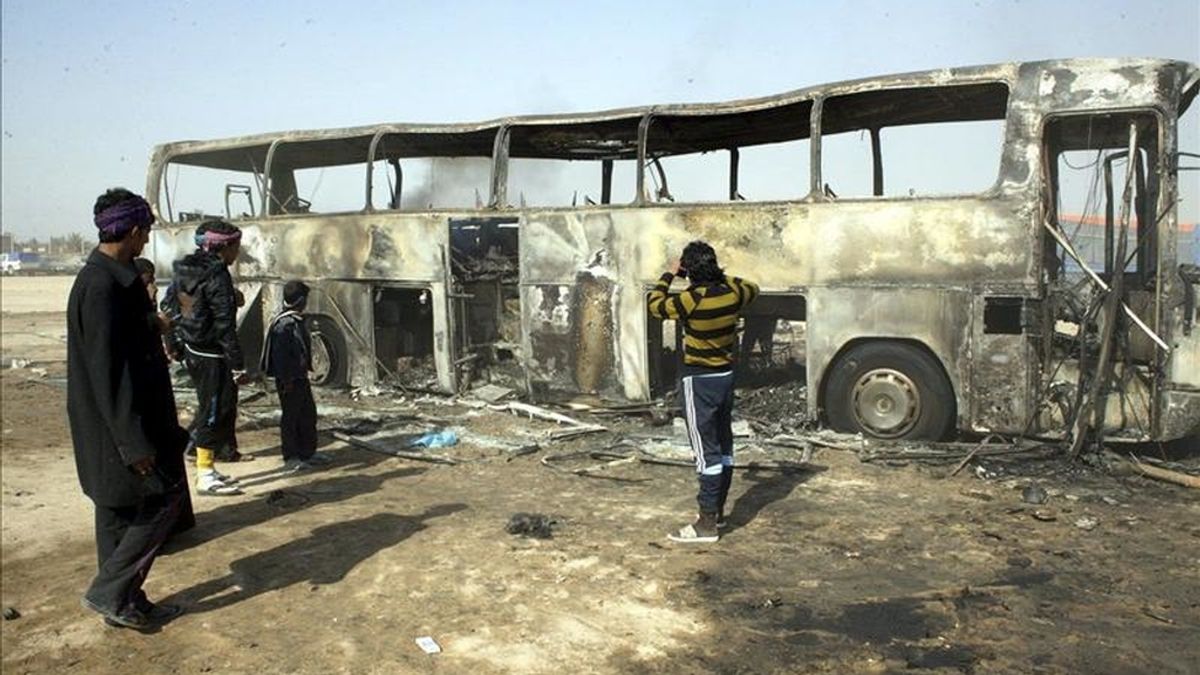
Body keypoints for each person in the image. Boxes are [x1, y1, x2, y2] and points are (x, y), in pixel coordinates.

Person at [67, 188, 189, 630]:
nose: (146, 242)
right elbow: (109, 372)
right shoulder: (100, 287)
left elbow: (122, 342)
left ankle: (125, 601)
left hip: (122, 424)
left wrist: (150, 322)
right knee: (164, 497)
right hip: (119, 428)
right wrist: (132, 442)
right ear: (134, 232)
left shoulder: (115, 279)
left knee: (117, 517)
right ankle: (107, 591)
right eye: (146, 233)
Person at [648, 240, 759, 543]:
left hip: (699, 380)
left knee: (704, 451)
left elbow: (655, 305)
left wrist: (670, 275)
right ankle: (718, 511)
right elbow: (752, 286)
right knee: (723, 446)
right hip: (725, 377)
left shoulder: (690, 299)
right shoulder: (733, 292)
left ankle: (706, 523)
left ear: (689, 270)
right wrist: (717, 275)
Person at [171, 218, 250, 496]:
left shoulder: (185, 270)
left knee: (217, 407)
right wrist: (238, 365)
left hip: (193, 350)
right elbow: (224, 326)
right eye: (236, 247)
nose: (237, 253)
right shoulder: (217, 275)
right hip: (212, 354)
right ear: (223, 247)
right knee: (213, 411)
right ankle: (204, 474)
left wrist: (177, 340)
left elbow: (172, 305)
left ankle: (210, 466)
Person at [134, 257, 197, 535]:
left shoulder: (151, 314)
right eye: (147, 284)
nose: (153, 291)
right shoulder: (130, 317)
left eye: (153, 284)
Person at [260, 280, 331, 472]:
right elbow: (281, 356)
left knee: (307, 413)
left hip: (300, 377)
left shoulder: (296, 321)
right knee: (291, 417)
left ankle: (308, 452)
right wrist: (286, 380)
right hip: (289, 379)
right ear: (300, 301)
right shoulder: (284, 324)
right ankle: (291, 456)